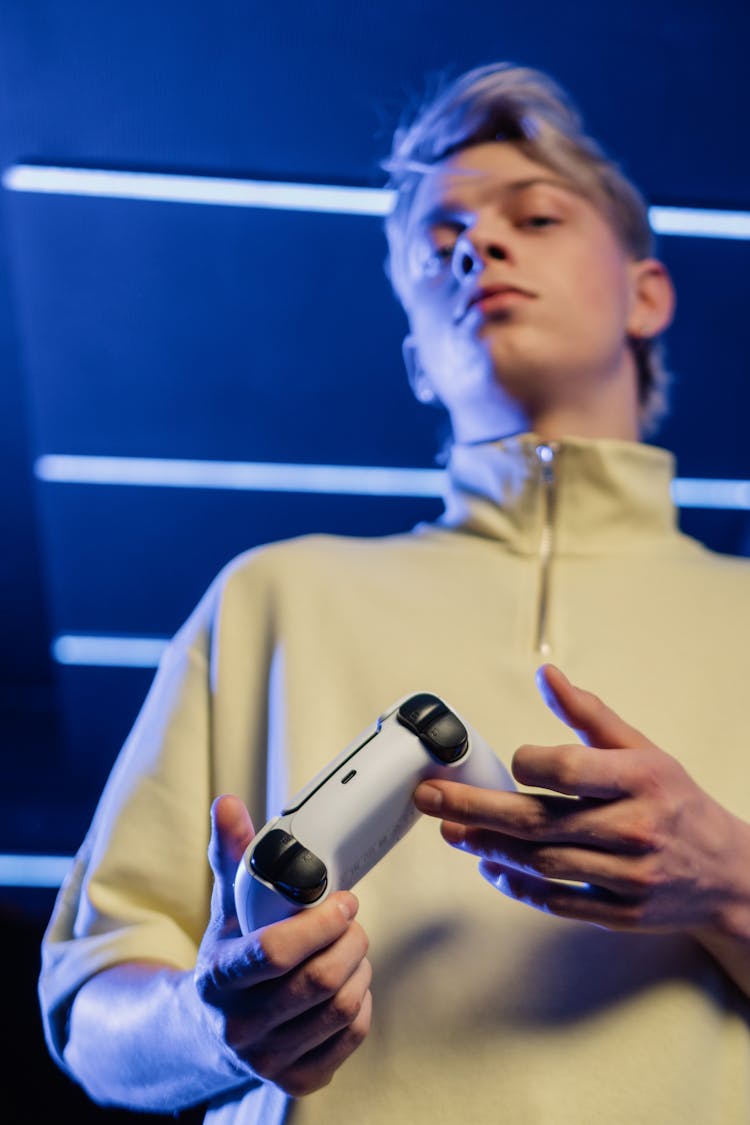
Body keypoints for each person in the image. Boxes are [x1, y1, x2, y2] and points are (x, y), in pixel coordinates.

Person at [40, 62, 750, 1124]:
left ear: (649, 293)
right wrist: (209, 1022)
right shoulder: (270, 596)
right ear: (417, 356)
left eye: (538, 215)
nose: (477, 245)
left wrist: (730, 884)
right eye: (437, 240)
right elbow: (94, 1017)